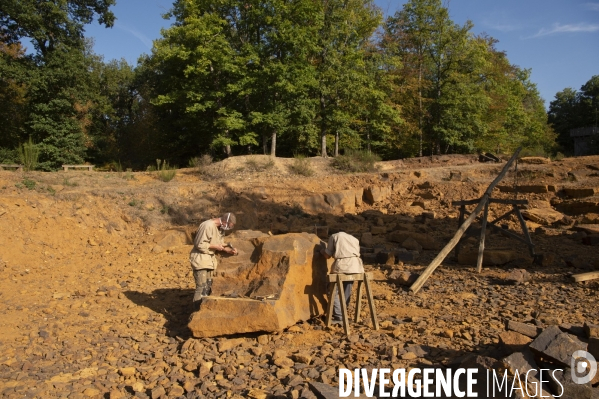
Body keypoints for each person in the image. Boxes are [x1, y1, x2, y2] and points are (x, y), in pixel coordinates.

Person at [189, 212, 238, 310]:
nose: (228, 228)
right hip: (201, 260)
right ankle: (195, 312)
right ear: (224, 221)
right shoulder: (207, 226)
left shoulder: (220, 228)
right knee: (201, 287)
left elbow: (219, 243)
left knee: (207, 286)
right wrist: (215, 246)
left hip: (210, 261)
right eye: (229, 226)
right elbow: (199, 244)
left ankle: (203, 310)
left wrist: (228, 249)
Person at [320, 231, 364, 323]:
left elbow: (327, 255)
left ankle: (339, 316)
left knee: (331, 290)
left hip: (343, 266)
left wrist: (321, 251)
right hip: (356, 266)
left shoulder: (334, 236)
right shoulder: (354, 239)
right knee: (346, 290)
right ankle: (342, 312)